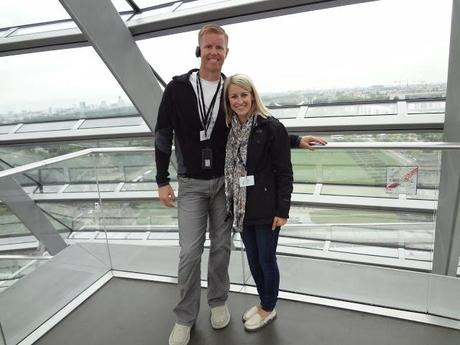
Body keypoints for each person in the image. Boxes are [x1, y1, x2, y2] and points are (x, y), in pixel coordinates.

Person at [154, 24, 326, 345]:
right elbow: (163, 134)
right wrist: (162, 179)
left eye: (220, 48)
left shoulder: (230, 89)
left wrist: (297, 139)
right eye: (209, 47)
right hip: (190, 183)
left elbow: (256, 126)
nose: (214, 53)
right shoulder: (178, 89)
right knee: (190, 252)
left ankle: (218, 302)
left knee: (221, 247)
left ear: (226, 52)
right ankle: (185, 317)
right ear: (199, 49)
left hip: (225, 184)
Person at [223, 74, 292, 331]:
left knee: (266, 259)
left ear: (253, 96)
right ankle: (264, 301)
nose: (240, 101)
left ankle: (268, 308)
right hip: (242, 207)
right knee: (253, 259)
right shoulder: (230, 129)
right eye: (234, 96)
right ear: (228, 102)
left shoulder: (270, 126)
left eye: (244, 94)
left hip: (266, 206)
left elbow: (285, 172)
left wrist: (282, 210)